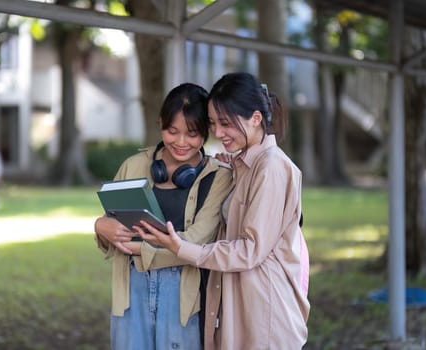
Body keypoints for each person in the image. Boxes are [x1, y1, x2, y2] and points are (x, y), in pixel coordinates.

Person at [137, 72, 311, 349]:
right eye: (214, 123)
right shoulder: (246, 165)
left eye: (226, 124)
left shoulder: (272, 168)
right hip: (243, 306)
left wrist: (182, 247)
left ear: (256, 118)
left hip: (264, 314)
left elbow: (250, 250)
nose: (217, 133)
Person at [94, 83, 233, 350]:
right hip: (130, 290)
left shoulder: (219, 177)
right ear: (160, 123)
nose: (181, 142)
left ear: (206, 132)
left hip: (183, 293)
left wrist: (137, 248)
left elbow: (196, 242)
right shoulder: (133, 166)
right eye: (172, 131)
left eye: (192, 134)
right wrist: (100, 226)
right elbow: (109, 223)